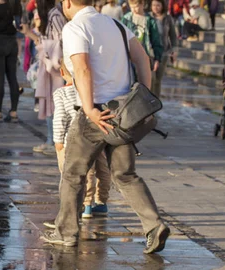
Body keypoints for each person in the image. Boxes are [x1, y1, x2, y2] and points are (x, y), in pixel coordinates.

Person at [43, 0, 170, 254]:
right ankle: (154, 226)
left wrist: (89, 108)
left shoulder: (75, 27)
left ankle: (66, 232)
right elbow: (143, 58)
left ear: (67, 3)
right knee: (125, 174)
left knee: (73, 174)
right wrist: (142, 94)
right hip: (124, 113)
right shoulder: (116, 25)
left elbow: (82, 68)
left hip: (95, 113)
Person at [50, 61, 111, 220]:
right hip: (96, 136)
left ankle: (83, 206)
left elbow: (60, 118)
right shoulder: (89, 91)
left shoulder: (61, 93)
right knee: (101, 170)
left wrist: (58, 140)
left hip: (72, 141)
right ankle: (100, 202)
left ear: (62, 74)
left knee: (71, 174)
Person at [21, 0, 66, 152]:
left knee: (54, 103)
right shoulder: (54, 14)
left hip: (55, 66)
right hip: (50, 65)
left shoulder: (55, 15)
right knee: (50, 103)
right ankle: (51, 140)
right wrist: (29, 33)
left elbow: (60, 42)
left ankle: (55, 141)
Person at [122, 0, 163, 72]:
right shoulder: (126, 19)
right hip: (129, 56)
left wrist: (157, 58)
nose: (134, 9)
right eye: (132, 7)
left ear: (142, 4)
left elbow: (156, 40)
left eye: (136, 6)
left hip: (144, 55)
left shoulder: (149, 20)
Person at [150, 0, 177, 97]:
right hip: (151, 52)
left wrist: (174, 50)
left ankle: (156, 102)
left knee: (157, 79)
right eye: (153, 5)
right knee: (151, 79)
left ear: (162, 6)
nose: (155, 7)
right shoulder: (148, 17)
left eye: (158, 5)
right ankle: (148, 101)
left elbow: (173, 36)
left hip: (164, 53)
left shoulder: (167, 18)